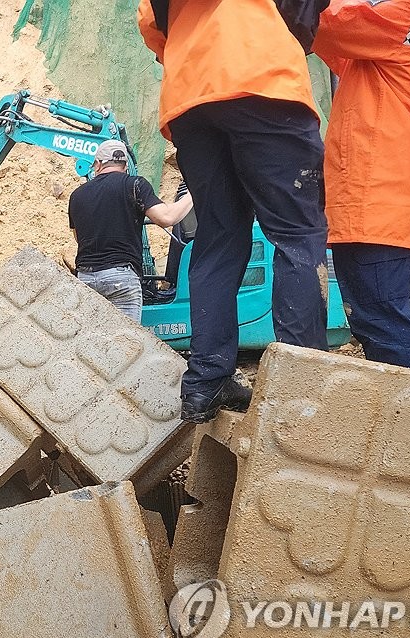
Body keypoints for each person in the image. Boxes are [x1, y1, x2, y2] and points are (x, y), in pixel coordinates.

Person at [138, 0, 330, 423]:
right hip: (262, 76)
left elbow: (151, 25)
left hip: (190, 98)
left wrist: (197, 47)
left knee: (218, 239)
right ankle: (303, 387)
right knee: (297, 233)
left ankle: (207, 381)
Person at [313, 0, 410, 370]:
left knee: (383, 319)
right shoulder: (390, 38)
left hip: (382, 195)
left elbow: (329, 22)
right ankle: (405, 416)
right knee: (375, 319)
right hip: (378, 198)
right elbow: (334, 43)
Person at [68, 140, 192, 320]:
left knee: (92, 344)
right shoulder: (134, 185)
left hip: (86, 279)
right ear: (125, 165)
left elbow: (79, 238)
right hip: (121, 279)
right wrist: (194, 193)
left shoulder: (77, 195)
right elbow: (167, 218)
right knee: (125, 343)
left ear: (98, 164)